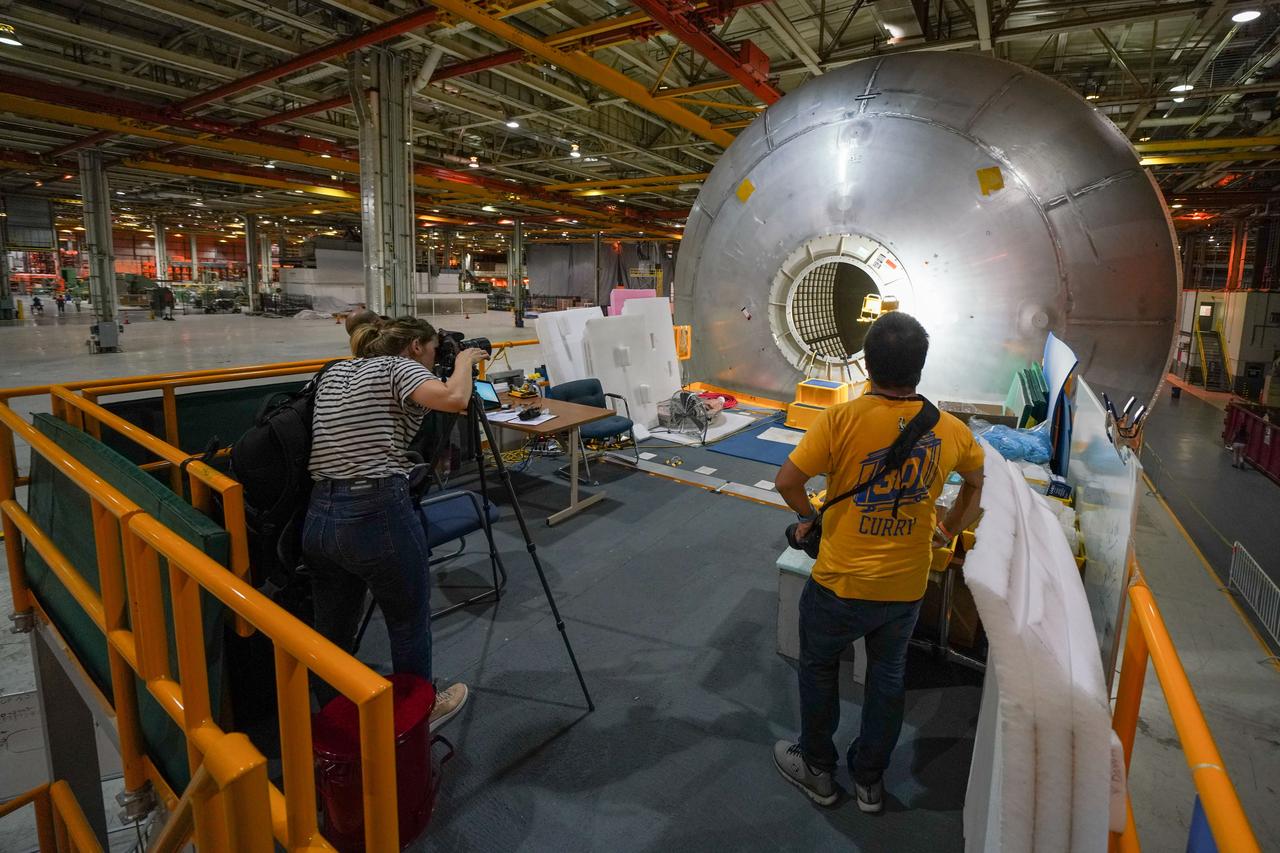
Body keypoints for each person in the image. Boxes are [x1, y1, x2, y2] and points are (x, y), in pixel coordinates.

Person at [772, 311, 985, 813]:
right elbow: (977, 483)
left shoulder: (841, 419)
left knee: (820, 669)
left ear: (866, 362)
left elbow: (787, 481)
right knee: (888, 678)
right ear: (921, 365)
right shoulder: (950, 430)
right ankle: (870, 780)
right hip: (905, 586)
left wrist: (810, 518)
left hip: (839, 583)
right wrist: (949, 528)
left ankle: (819, 770)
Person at [304, 316, 487, 730]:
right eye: (434, 351)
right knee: (407, 622)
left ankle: (336, 720)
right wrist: (465, 361)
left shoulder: (337, 370)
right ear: (415, 347)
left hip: (319, 515)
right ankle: (420, 713)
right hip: (373, 511)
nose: (435, 358)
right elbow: (457, 399)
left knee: (331, 631)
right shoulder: (397, 366)